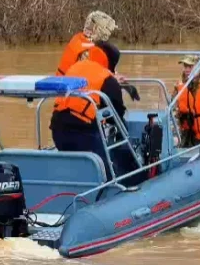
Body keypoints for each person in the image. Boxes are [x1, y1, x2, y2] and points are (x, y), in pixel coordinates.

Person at [50, 47, 139, 182]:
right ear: (111, 63)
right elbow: (117, 116)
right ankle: (110, 192)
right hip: (82, 133)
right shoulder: (107, 79)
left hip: (57, 129)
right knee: (105, 172)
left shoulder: (76, 66)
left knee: (76, 168)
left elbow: (88, 84)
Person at [56, 11, 121, 78]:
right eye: (107, 30)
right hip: (72, 87)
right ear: (97, 29)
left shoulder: (78, 39)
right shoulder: (88, 52)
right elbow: (93, 77)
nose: (109, 33)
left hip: (64, 82)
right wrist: (113, 78)